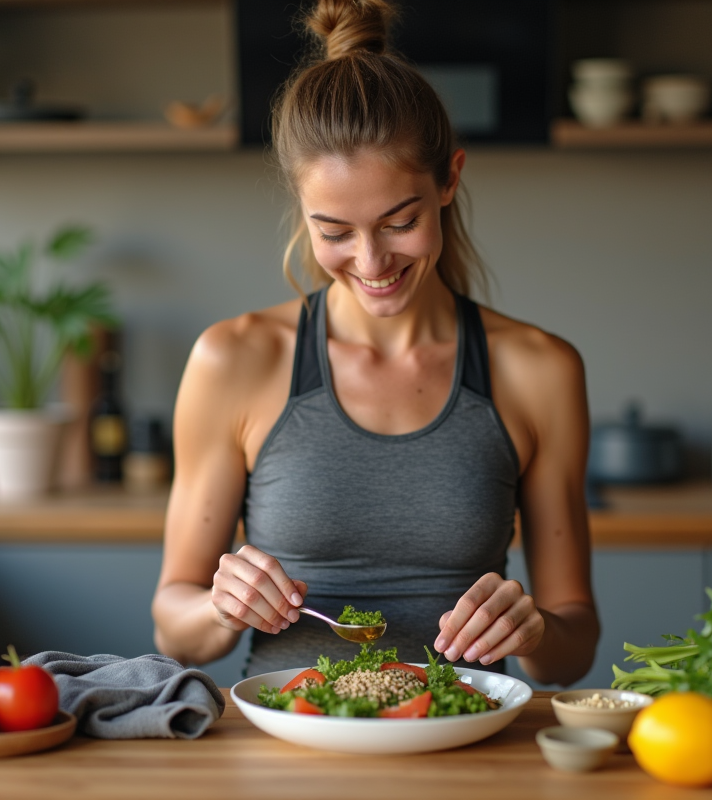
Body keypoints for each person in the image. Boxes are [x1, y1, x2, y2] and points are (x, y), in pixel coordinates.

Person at [152, 0, 598, 686]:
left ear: (449, 179)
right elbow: (174, 630)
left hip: (461, 739)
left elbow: (573, 647)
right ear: (301, 211)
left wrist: (534, 628)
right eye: (334, 232)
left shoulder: (539, 370)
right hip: (289, 743)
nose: (371, 262)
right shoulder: (234, 360)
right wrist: (220, 606)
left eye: (399, 221)